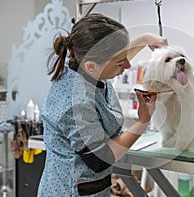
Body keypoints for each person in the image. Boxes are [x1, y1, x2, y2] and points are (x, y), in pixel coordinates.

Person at [38, 13, 167, 196]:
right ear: (92, 66)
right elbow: (100, 158)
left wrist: (145, 39)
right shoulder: (76, 104)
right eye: (121, 63)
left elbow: (114, 59)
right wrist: (142, 123)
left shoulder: (83, 65)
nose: (128, 66)